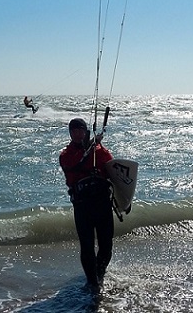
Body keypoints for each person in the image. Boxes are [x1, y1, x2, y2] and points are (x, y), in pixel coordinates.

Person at [59, 118, 114, 289]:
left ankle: (99, 272)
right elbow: (72, 165)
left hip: (103, 204)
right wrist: (89, 148)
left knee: (106, 246)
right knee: (87, 246)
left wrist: (124, 199)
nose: (77, 134)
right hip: (83, 206)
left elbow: (115, 172)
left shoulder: (101, 152)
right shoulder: (66, 154)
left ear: (85, 131)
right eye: (73, 131)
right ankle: (92, 283)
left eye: (80, 130)